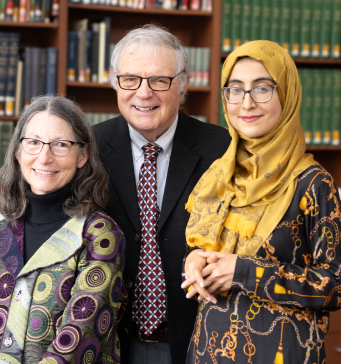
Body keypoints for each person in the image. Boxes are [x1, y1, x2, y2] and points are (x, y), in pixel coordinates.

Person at [181, 40, 341, 363]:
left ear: (286, 95)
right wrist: (194, 262)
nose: (246, 103)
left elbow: (340, 285)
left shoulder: (313, 184)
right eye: (235, 89)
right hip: (209, 351)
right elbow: (207, 252)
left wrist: (245, 271)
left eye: (262, 88)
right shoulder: (220, 176)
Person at [0, 95, 127, 364]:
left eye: (60, 145)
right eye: (33, 143)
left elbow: (79, 339)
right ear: (18, 151)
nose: (44, 158)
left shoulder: (100, 235)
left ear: (82, 156)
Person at [93, 24, 231, 364]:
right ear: (115, 83)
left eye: (159, 80)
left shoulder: (223, 150)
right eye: (131, 79)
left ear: (182, 85)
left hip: (200, 340)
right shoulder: (88, 150)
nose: (144, 93)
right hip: (109, 342)